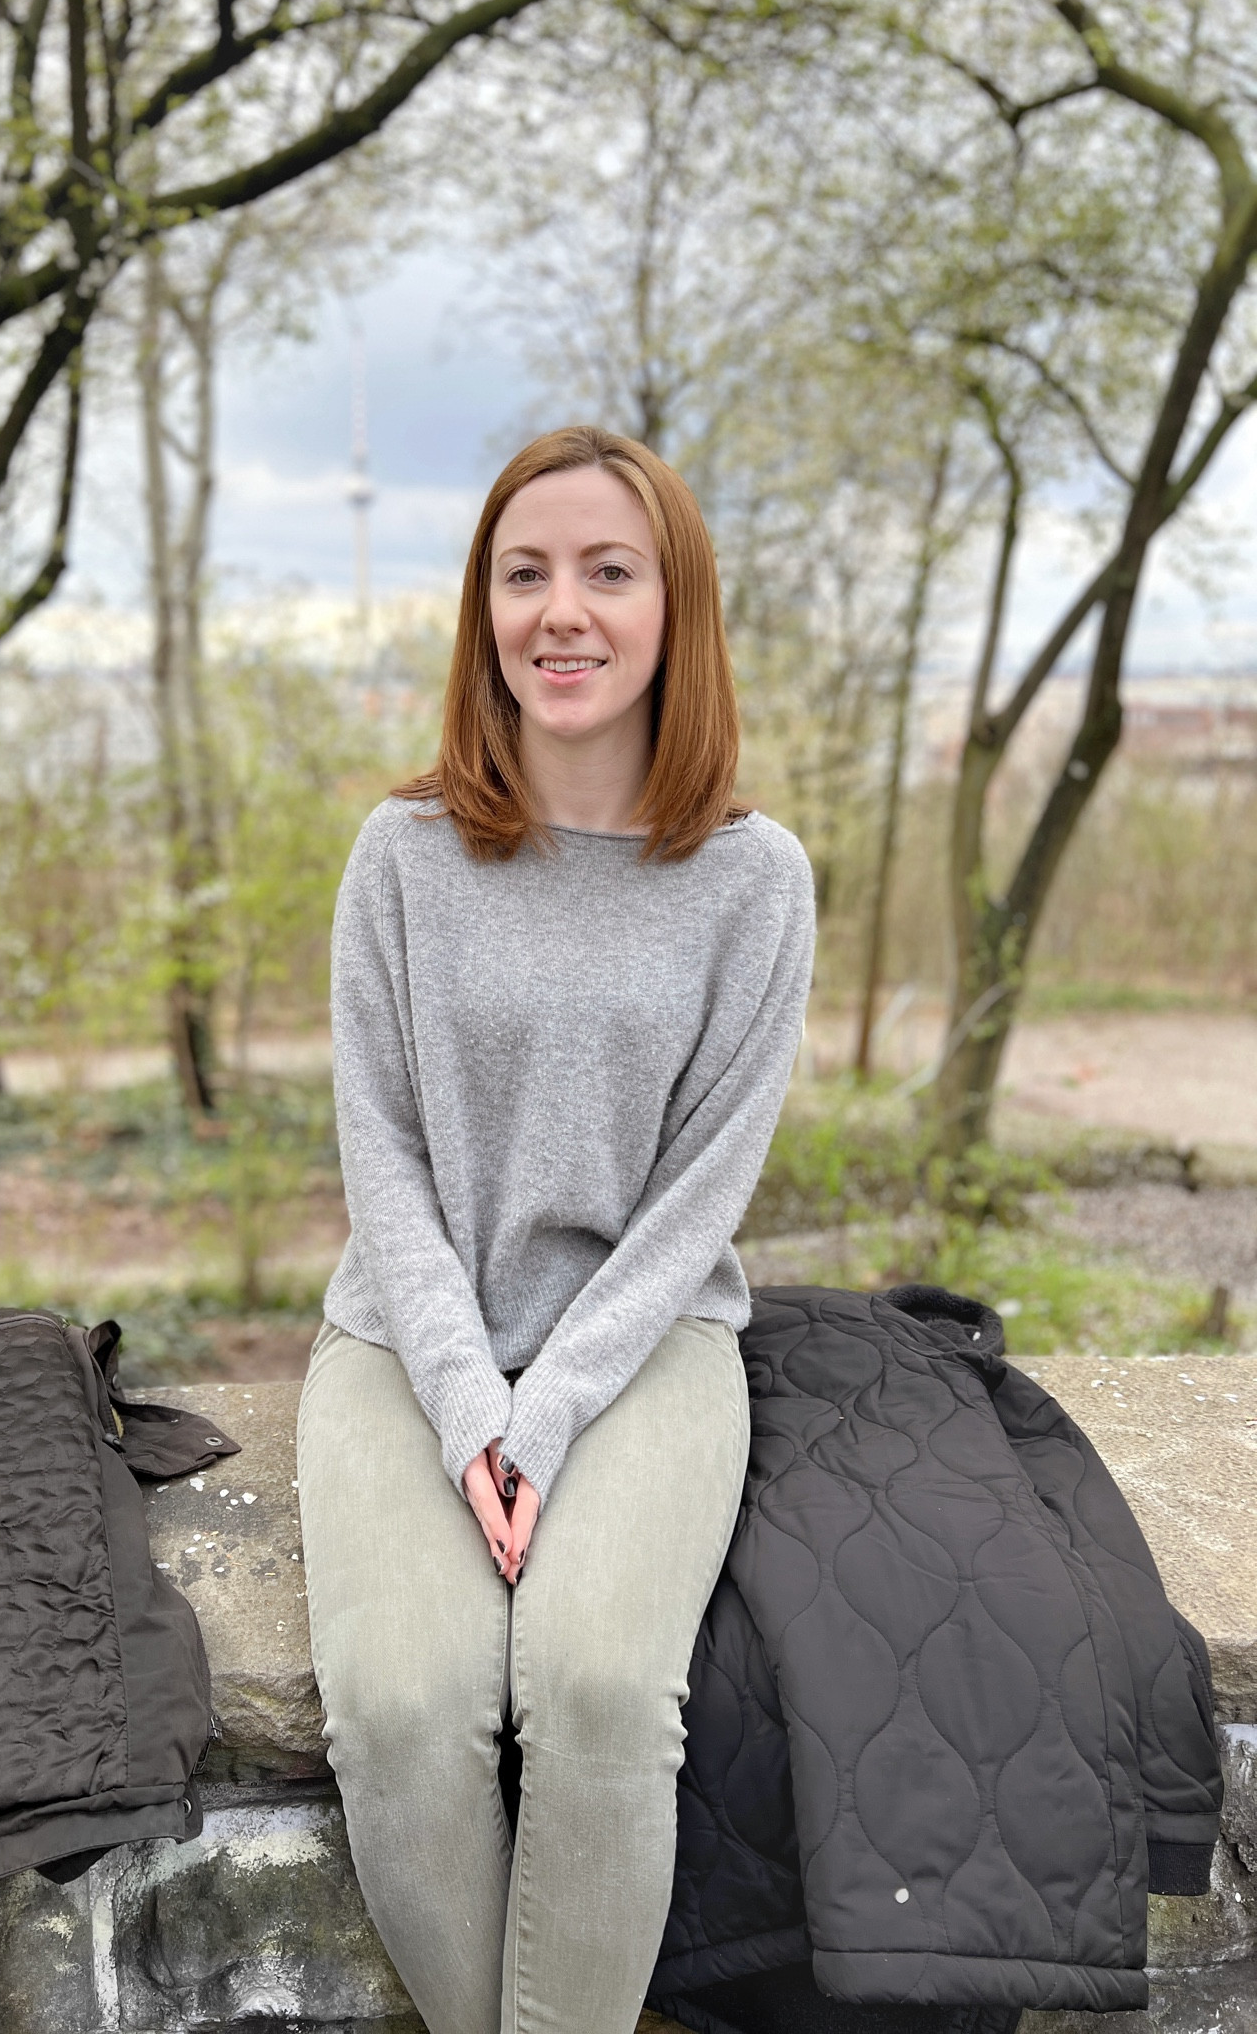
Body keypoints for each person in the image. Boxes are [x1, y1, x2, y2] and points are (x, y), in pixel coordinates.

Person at [297, 425, 816, 2034]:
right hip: (407, 1334)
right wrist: (470, 1407)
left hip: (648, 1342)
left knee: (595, 1692)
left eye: (609, 570)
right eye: (524, 573)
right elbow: (379, 1155)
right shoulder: (401, 858)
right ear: (484, 612)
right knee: (400, 1708)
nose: (561, 610)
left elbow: (699, 1202)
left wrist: (554, 1406)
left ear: (677, 610)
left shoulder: (752, 880)